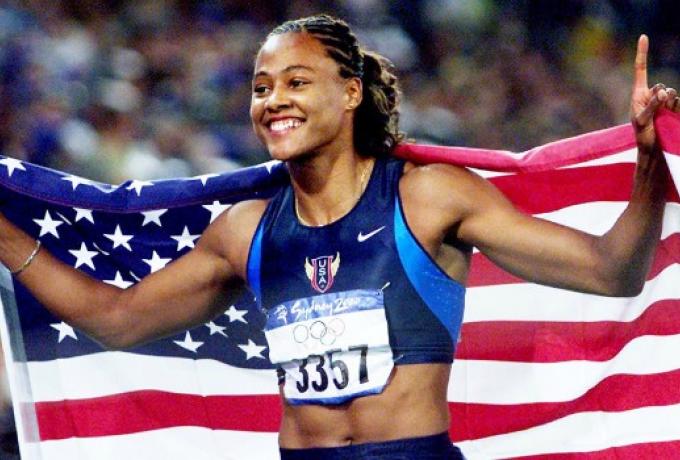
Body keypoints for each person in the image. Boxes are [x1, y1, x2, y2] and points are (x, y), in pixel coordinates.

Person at [0, 14, 678, 460]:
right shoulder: (244, 231)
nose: (274, 100)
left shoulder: (426, 197)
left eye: (297, 81)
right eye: (261, 87)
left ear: (351, 93)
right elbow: (117, 320)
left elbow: (609, 271)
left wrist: (648, 160)